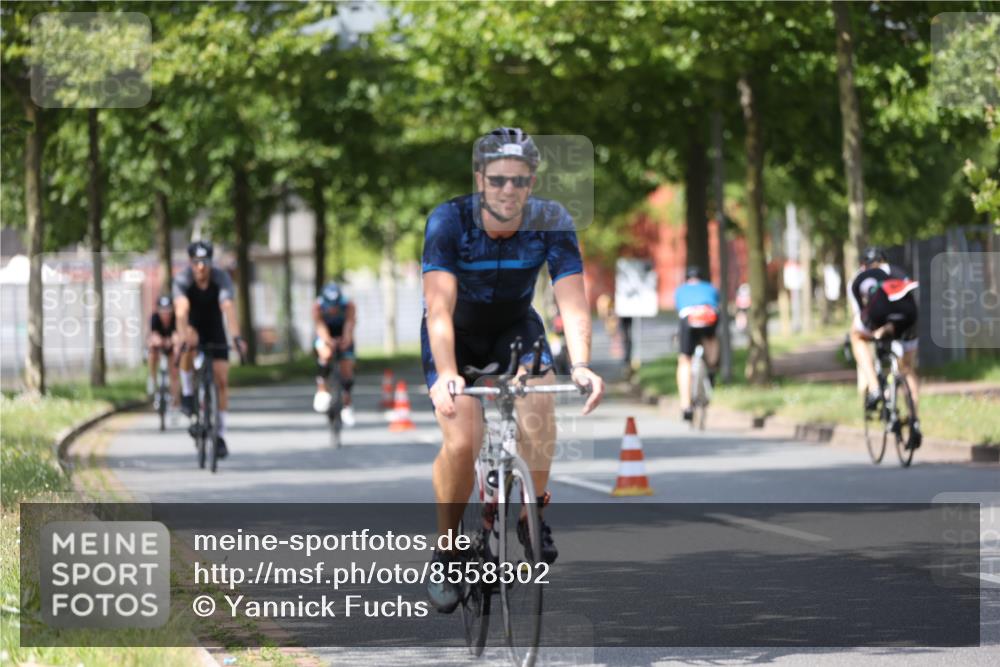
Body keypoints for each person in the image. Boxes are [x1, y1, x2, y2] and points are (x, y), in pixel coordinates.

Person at [421, 127, 605, 613]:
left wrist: (581, 364)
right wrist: (447, 373)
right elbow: (438, 308)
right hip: (456, 334)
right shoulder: (448, 221)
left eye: (519, 180)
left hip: (515, 328)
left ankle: (531, 512)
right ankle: (447, 551)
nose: (508, 190)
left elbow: (572, 299)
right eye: (498, 179)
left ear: (532, 182)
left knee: (540, 403)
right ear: (479, 178)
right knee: (462, 439)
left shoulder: (551, 221)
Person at [173, 240, 247, 458]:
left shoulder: (221, 278)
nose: (201, 266)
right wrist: (182, 335)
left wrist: (237, 337)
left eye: (205, 261)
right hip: (193, 326)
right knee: (188, 343)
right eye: (196, 262)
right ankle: (188, 393)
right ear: (190, 263)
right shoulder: (183, 279)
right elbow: (181, 309)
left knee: (221, 380)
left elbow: (228, 307)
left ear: (210, 262)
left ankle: (220, 435)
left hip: (215, 328)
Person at [848, 246, 921, 448]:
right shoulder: (898, 271)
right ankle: (915, 421)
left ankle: (875, 389)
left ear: (863, 265)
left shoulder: (860, 277)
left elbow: (860, 312)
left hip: (879, 315)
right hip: (908, 317)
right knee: (907, 369)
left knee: (856, 336)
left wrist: (876, 332)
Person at [674, 265, 720, 423]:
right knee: (711, 340)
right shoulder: (711, 288)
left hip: (689, 318)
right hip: (708, 316)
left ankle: (685, 405)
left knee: (685, 360)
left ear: (687, 278)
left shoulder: (680, 290)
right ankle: (712, 369)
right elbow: (716, 305)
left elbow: (679, 309)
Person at [311, 281, 357, 427]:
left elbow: (349, 324)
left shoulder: (349, 305)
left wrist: (346, 339)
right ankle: (322, 389)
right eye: (329, 307)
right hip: (326, 332)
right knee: (325, 354)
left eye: (335, 306)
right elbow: (319, 326)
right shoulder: (318, 306)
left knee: (347, 367)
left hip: (342, 331)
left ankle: (347, 404)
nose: (332, 310)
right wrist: (327, 341)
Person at [147, 295, 180, 411]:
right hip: (159, 346)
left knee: (174, 372)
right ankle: (152, 378)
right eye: (163, 311)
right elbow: (153, 335)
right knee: (151, 349)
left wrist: (172, 341)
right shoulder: (154, 318)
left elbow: (177, 336)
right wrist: (160, 341)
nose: (165, 314)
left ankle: (175, 401)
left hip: (172, 347)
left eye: (168, 311)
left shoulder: (176, 319)